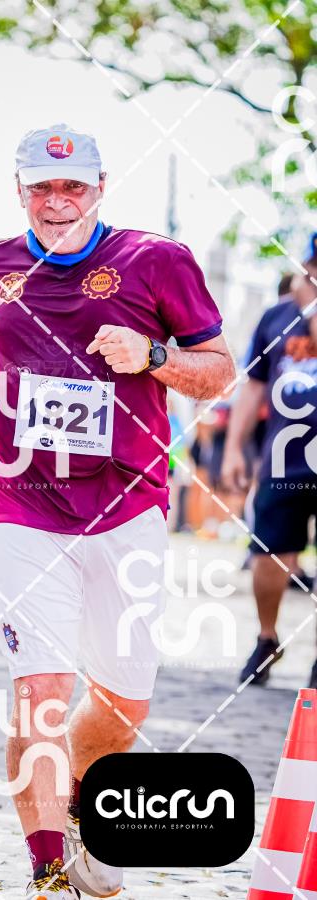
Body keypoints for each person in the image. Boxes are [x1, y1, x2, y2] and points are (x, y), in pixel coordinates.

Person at [0, 124, 234, 899]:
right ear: (20, 190)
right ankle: (48, 872)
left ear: (101, 187)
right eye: (42, 188)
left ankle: (82, 797)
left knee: (123, 704)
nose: (58, 202)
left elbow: (219, 370)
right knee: (40, 691)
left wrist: (154, 357)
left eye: (73, 187)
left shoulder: (157, 260)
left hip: (127, 504)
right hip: (20, 500)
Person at [222, 248, 317, 689]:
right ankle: (266, 637)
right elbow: (253, 388)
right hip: (284, 457)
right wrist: (234, 449)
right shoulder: (275, 318)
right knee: (268, 552)